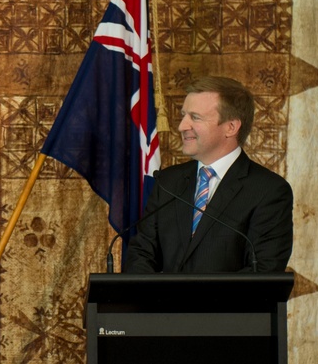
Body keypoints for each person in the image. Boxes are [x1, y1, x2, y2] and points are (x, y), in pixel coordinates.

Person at [124, 76, 293, 273]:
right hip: (163, 305)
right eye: (184, 115)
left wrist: (192, 301)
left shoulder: (269, 191)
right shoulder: (168, 182)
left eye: (195, 117)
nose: (181, 126)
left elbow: (263, 270)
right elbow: (141, 254)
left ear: (231, 127)